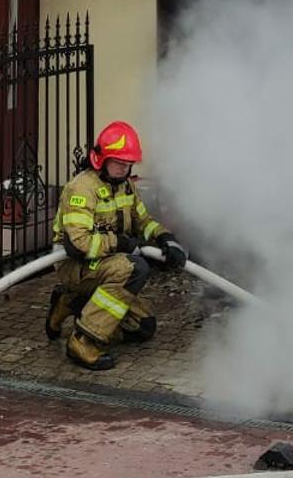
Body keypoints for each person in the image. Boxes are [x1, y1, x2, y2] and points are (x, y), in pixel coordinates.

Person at [44, 121, 189, 370]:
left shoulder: (125, 186)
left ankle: (73, 302)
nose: (124, 169)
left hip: (104, 263)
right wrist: (119, 243)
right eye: (119, 163)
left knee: (143, 328)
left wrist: (165, 238)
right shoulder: (81, 189)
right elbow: (78, 244)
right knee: (134, 269)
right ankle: (83, 340)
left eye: (128, 164)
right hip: (76, 265)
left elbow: (142, 221)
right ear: (101, 159)